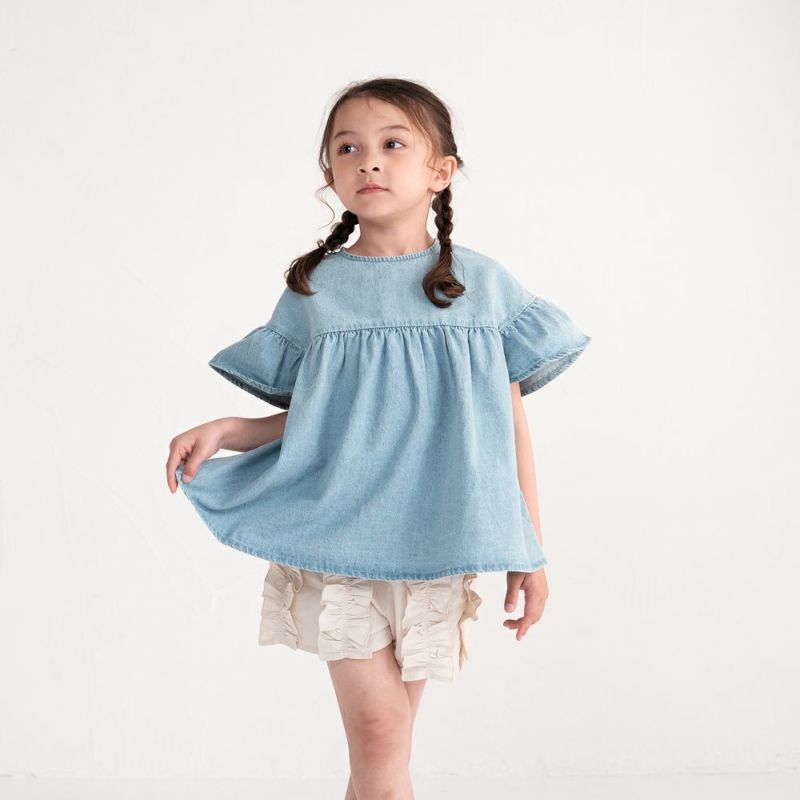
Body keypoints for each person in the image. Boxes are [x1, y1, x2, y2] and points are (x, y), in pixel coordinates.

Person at [165, 77, 591, 799]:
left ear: (440, 170)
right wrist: (231, 430)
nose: (368, 161)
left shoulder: (482, 288)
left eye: (393, 144)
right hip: (340, 541)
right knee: (380, 740)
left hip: (438, 545)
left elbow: (511, 431)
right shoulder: (317, 290)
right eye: (348, 149)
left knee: (383, 752)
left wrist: (529, 550)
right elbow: (327, 420)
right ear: (329, 175)